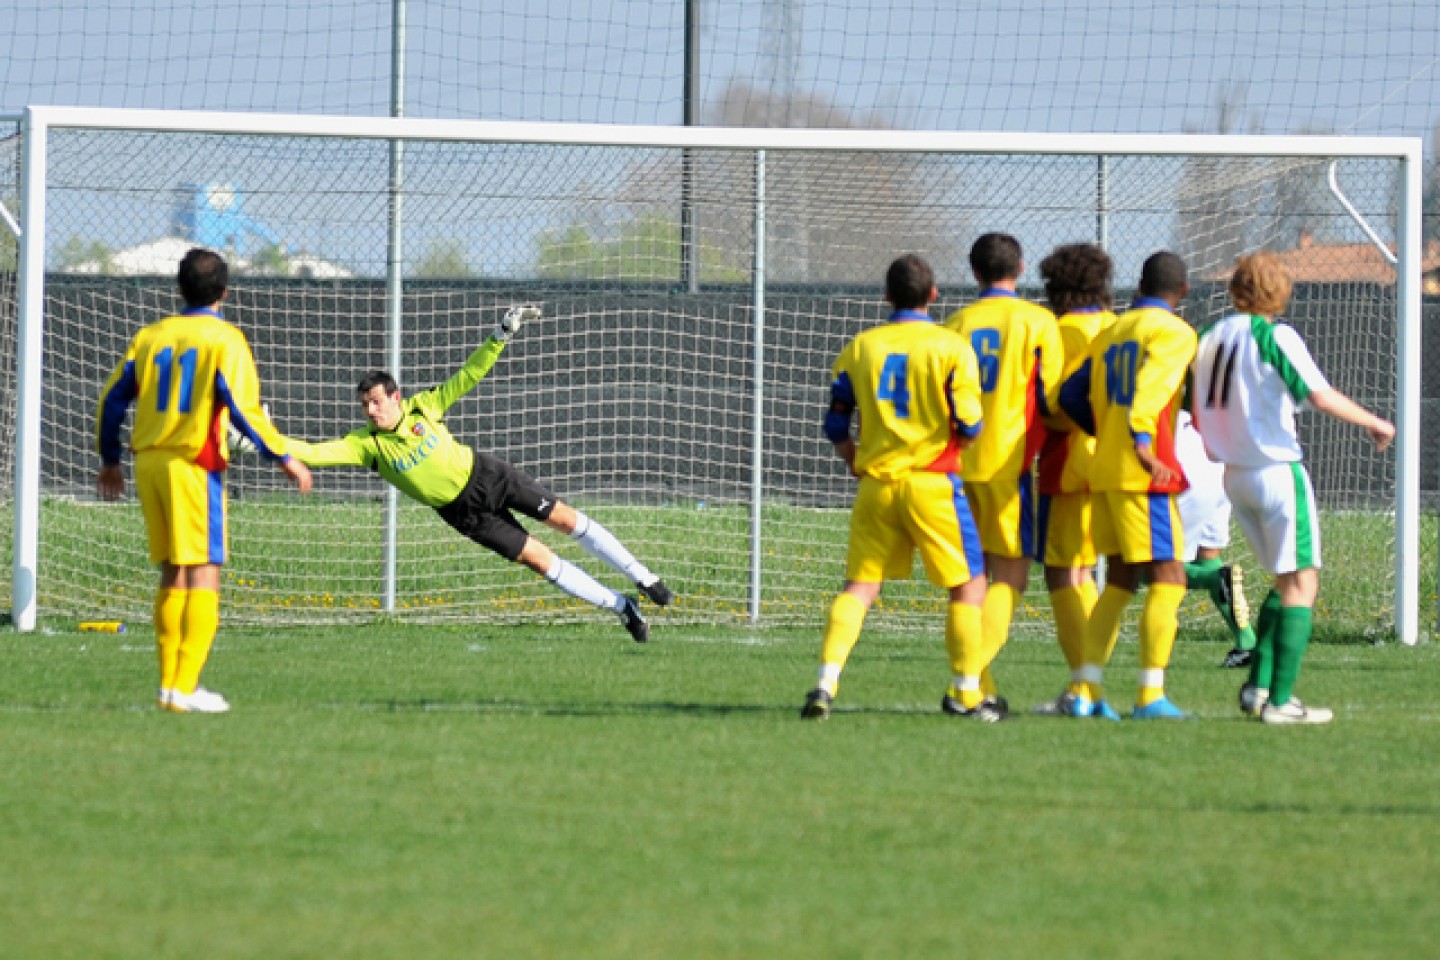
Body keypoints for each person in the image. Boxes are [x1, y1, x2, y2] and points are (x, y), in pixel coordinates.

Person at [283, 306, 672, 642]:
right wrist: (265, 440)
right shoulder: (366, 444)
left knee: (564, 518)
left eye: (375, 403)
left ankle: (643, 575)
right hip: (463, 513)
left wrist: (499, 335)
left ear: (395, 397)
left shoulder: (425, 407)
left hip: (489, 476)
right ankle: (624, 608)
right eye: (365, 405)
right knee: (539, 559)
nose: (370, 411)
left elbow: (468, 376)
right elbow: (314, 453)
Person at [96, 247, 314, 714]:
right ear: (225, 291)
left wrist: (110, 459)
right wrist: (283, 456)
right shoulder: (225, 339)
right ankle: (186, 688)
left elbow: (113, 400)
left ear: (180, 288)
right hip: (193, 462)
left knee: (173, 570)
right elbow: (242, 407)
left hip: (149, 462)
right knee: (205, 570)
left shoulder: (151, 335)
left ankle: (169, 686)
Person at [1191, 251, 1393, 724]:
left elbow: (1193, 405)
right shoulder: (1274, 334)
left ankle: (1258, 689)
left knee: (1286, 582)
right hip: (1276, 470)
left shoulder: (1209, 338)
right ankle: (1280, 703)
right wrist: (1374, 422)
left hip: (1233, 475)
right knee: (1303, 582)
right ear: (1280, 292)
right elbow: (1317, 393)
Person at [800, 254, 993, 720]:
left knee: (860, 587)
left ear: (887, 296)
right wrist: (958, 447)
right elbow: (970, 421)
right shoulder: (950, 347)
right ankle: (968, 694)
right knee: (969, 586)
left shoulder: (861, 347)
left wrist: (853, 458)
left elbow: (835, 422)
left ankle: (826, 681)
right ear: (933, 295)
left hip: (876, 486)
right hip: (932, 483)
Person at [1057, 251, 1197, 719]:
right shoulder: (1176, 333)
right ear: (1185, 293)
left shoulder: (1112, 330)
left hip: (1104, 474)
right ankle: (1150, 695)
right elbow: (1151, 391)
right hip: (1144, 475)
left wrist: (1107, 431)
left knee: (1118, 580)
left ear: (1140, 285)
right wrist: (1138, 439)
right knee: (1169, 577)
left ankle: (1085, 691)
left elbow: (1069, 395)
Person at [943, 233, 1063, 705]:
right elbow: (1052, 399)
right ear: (1022, 266)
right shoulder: (1038, 321)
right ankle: (968, 679)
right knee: (1010, 578)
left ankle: (981, 688)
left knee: (969, 582)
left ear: (974, 272)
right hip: (1008, 464)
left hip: (956, 466)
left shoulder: (954, 323)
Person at [1030, 243, 1116, 717]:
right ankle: (1086, 685)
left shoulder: (1059, 331)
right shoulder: (1117, 327)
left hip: (1070, 462)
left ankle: (1083, 689)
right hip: (1119, 464)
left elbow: (1055, 402)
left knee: (1063, 572)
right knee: (1095, 574)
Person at [1173, 409, 1257, 666]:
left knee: (1140, 567)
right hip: (1213, 456)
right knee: (1207, 557)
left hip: (1175, 455)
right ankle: (1247, 643)